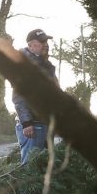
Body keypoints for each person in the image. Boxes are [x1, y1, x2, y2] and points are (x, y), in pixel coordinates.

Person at [12, 27, 58, 164]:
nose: (46, 45)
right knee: (30, 167)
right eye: (41, 42)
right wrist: (26, 123)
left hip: (46, 123)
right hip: (33, 125)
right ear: (31, 45)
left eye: (46, 41)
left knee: (45, 166)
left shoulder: (47, 66)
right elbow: (18, 96)